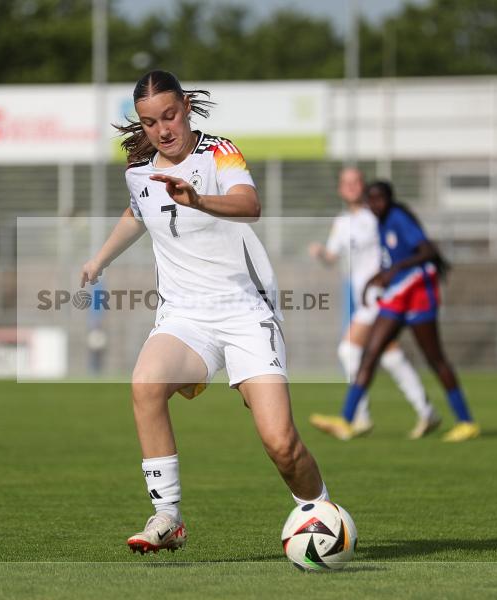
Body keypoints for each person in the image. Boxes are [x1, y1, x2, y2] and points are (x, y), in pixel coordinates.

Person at [80, 70, 331, 554]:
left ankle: (322, 512)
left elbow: (249, 203)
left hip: (244, 313)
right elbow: (138, 211)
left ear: (187, 109)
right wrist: (99, 259)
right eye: (150, 122)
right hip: (185, 317)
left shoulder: (220, 152)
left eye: (170, 116)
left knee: (281, 443)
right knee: (145, 384)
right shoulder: (139, 170)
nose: (163, 130)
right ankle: (167, 516)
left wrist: (199, 200)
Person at [310, 180, 479, 442]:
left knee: (435, 358)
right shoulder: (376, 221)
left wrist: (391, 272)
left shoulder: (398, 218)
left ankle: (465, 421)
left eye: (380, 199)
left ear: (389, 199)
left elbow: (428, 251)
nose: (376, 204)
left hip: (418, 291)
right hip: (396, 295)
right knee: (370, 354)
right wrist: (377, 277)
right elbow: (390, 261)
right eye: (372, 200)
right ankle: (347, 419)